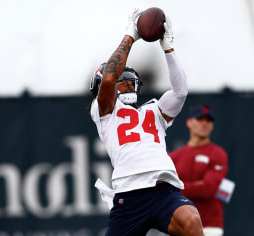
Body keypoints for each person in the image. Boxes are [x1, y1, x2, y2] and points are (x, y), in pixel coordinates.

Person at [89, 8, 204, 236]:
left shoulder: (155, 110)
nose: (129, 85)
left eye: (131, 81)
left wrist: (168, 48)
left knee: (191, 221)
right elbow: (110, 78)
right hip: (130, 197)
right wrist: (130, 35)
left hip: (164, 190)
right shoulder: (104, 112)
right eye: (123, 81)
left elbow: (180, 92)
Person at [170, 105, 228, 236]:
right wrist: (196, 184)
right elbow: (165, 189)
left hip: (209, 226)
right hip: (180, 225)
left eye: (208, 120)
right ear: (189, 122)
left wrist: (177, 187)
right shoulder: (174, 156)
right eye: (200, 119)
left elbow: (208, 189)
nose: (204, 123)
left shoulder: (218, 153)